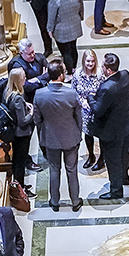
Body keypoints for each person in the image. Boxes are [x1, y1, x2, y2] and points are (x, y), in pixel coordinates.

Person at [31, 59, 84, 212]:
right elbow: (78, 118)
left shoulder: (39, 94)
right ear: (61, 75)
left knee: (54, 170)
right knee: (71, 169)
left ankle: (54, 202)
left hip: (51, 139)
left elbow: (37, 119)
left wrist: (44, 132)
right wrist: (77, 134)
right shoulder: (71, 93)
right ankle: (75, 201)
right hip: (70, 138)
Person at [89, 52, 129, 201]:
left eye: (102, 65)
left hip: (111, 132)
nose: (101, 67)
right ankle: (124, 178)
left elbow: (97, 110)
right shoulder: (126, 75)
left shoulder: (107, 88)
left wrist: (90, 98)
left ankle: (116, 190)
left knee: (113, 161)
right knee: (124, 154)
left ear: (108, 70)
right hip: (126, 125)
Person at [0, 68, 35, 200]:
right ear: (18, 80)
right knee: (20, 163)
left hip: (14, 133)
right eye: (23, 77)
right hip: (21, 135)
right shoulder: (18, 98)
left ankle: (20, 185)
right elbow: (23, 121)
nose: (25, 79)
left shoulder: (7, 92)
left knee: (17, 161)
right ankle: (21, 189)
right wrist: (31, 113)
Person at [46, 0, 85, 74]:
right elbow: (81, 9)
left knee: (66, 52)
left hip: (61, 30)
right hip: (75, 26)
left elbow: (51, 17)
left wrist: (49, 29)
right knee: (73, 48)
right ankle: (74, 68)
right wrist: (80, 18)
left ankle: (69, 71)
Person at [74, 50, 105, 172]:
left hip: (98, 109)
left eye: (92, 61)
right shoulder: (78, 74)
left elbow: (104, 91)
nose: (90, 64)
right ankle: (91, 155)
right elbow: (74, 91)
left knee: (101, 135)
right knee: (88, 134)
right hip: (85, 111)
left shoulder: (100, 74)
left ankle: (102, 158)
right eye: (88, 61)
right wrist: (82, 102)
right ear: (84, 61)